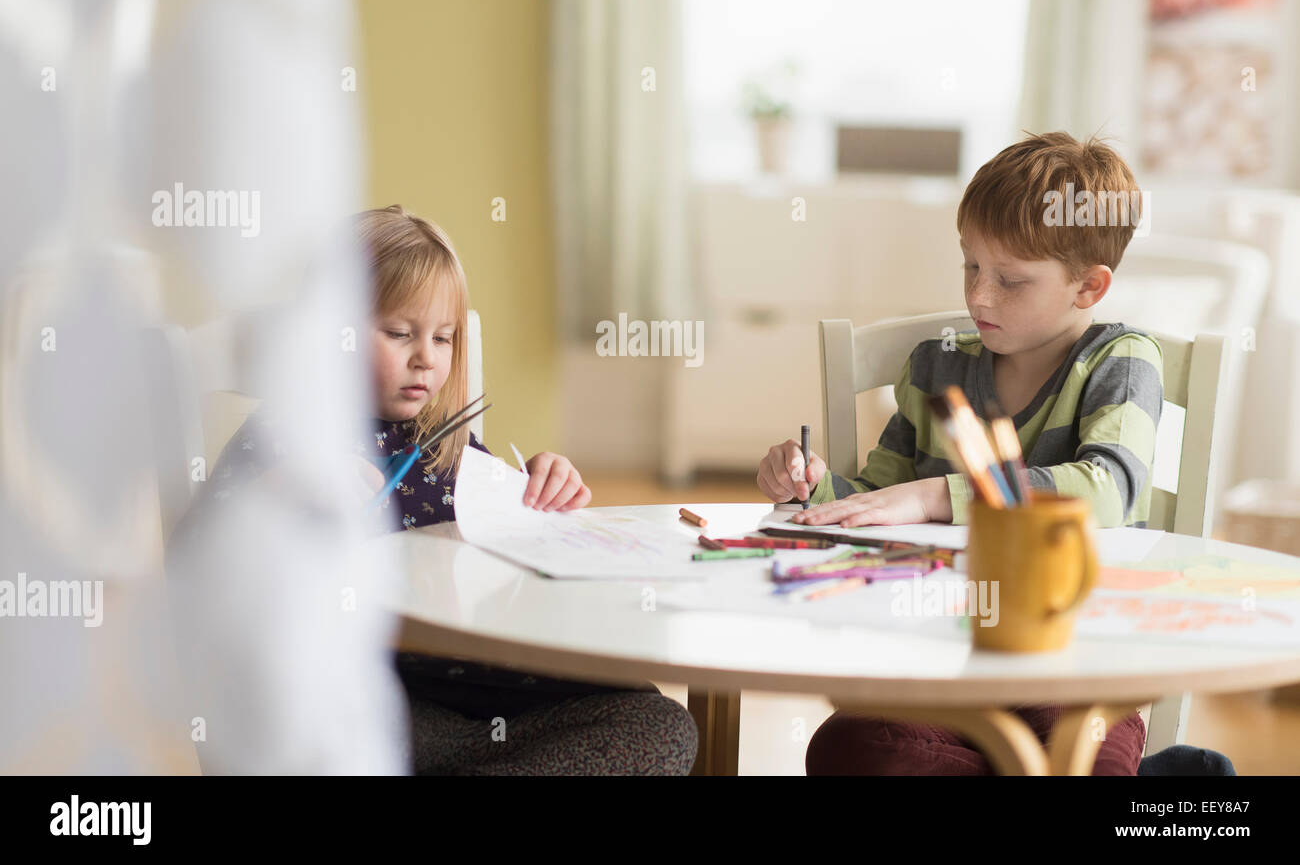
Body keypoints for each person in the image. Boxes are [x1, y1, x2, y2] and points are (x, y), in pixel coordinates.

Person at [172, 205, 697, 775]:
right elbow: (193, 557)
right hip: (373, 713)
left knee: (655, 718)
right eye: (399, 333)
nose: (426, 357)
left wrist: (543, 492)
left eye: (444, 338)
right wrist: (283, 493)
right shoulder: (287, 437)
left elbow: (507, 545)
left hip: (480, 693)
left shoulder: (448, 444)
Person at [759, 132, 1165, 775]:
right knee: (848, 747)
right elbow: (876, 497)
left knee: (1092, 765)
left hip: (1079, 665)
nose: (979, 296)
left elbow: (1109, 489)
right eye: (971, 265)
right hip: (938, 663)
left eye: (1010, 280)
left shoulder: (1119, 361)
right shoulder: (936, 367)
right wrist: (810, 487)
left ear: (1089, 286)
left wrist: (936, 495)